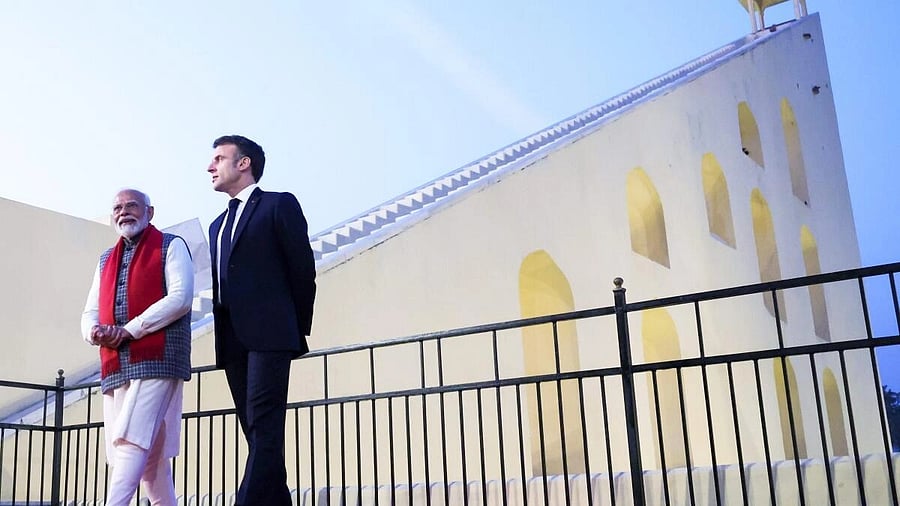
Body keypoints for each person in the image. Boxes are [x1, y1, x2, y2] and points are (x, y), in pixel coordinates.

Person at [207, 135, 316, 505]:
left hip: (271, 336)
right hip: (232, 342)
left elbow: (302, 270)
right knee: (258, 436)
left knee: (265, 428)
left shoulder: (278, 205)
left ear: (244, 163)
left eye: (219, 158)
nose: (210, 167)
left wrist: (292, 329)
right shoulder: (216, 226)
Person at [81, 189, 193, 506]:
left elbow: (181, 298)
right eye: (117, 207)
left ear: (150, 212)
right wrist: (94, 332)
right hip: (117, 362)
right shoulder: (106, 259)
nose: (124, 212)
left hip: (158, 357)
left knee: (130, 439)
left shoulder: (172, 246)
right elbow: (90, 310)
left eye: (132, 206)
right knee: (152, 460)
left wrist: (128, 330)